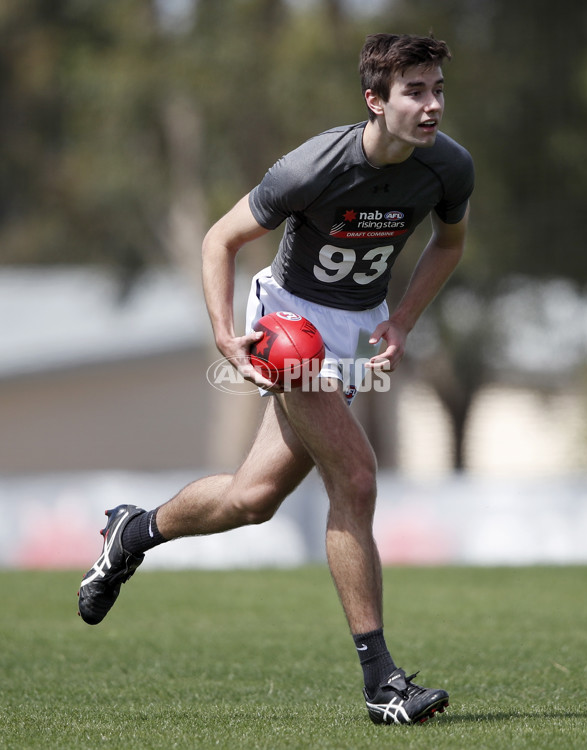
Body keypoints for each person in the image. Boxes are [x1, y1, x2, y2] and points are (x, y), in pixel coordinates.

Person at [78, 32, 474, 726]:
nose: (433, 104)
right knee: (355, 478)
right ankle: (382, 684)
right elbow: (217, 240)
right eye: (416, 91)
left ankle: (132, 533)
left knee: (252, 498)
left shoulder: (448, 169)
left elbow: (450, 243)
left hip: (354, 328)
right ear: (375, 101)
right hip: (289, 326)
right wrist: (226, 334)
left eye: (438, 88)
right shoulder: (312, 167)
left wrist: (404, 319)